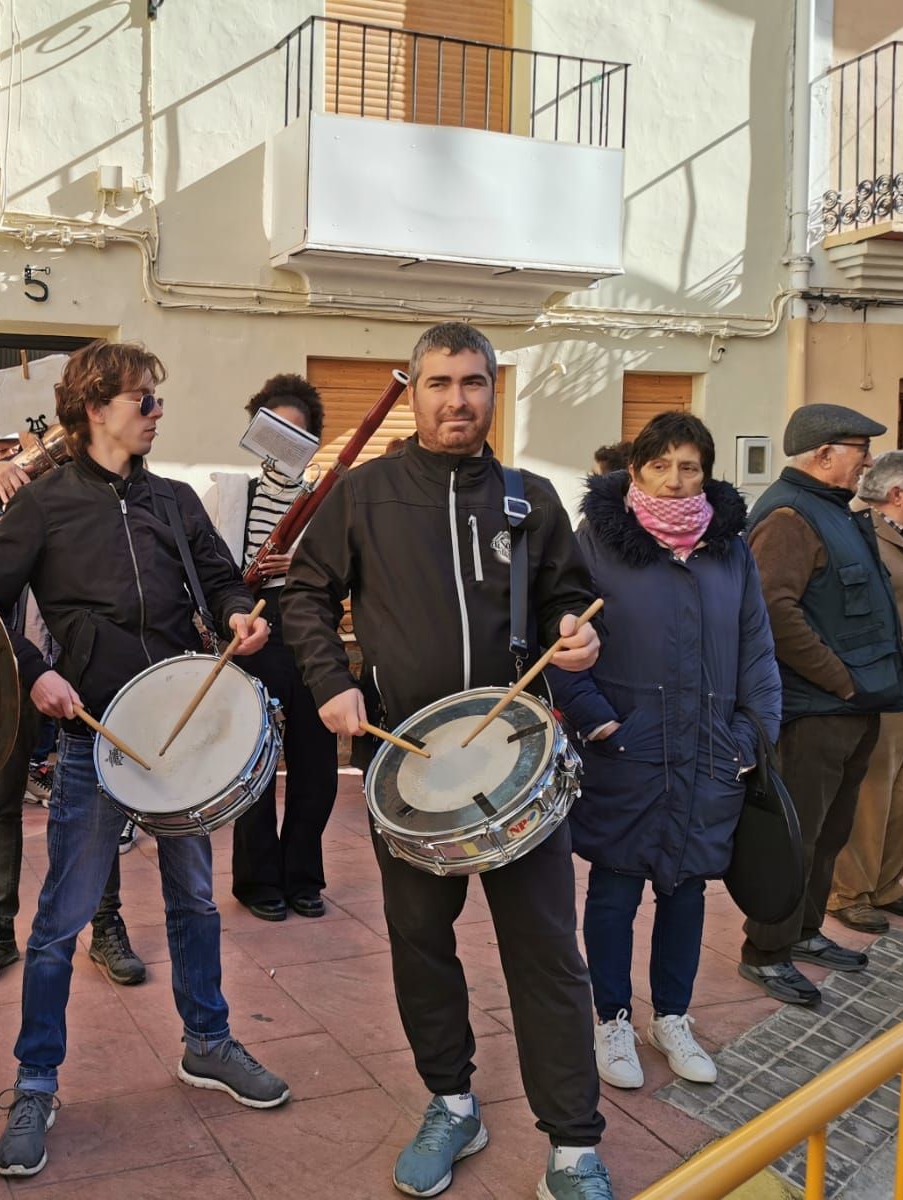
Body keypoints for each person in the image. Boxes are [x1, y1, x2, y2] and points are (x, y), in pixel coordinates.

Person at [281, 321, 615, 1200]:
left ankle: (574, 1146)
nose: (456, 399)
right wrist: (329, 681)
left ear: (492, 391)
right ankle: (452, 1101)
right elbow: (305, 593)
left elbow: (568, 598)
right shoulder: (364, 493)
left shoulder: (529, 497)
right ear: (414, 391)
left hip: (517, 764)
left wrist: (578, 634)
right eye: (439, 383)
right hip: (410, 765)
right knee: (421, 943)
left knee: (546, 953)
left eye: (472, 382)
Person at [0, 339, 289, 1179]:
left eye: (154, 399)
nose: (155, 412)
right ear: (95, 407)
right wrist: (34, 672)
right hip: (91, 736)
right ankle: (36, 1080)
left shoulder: (176, 501)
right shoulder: (42, 506)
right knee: (59, 922)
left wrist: (241, 614)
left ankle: (208, 1042)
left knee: (195, 903)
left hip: (179, 734)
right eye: (143, 400)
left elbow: (221, 583)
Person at [548, 413, 781, 1092]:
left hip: (712, 750)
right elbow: (561, 643)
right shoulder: (598, 542)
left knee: (687, 889)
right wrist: (597, 723)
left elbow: (758, 648)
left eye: (690, 467)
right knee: (616, 886)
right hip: (629, 750)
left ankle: (671, 1016)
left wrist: (752, 735)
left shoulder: (729, 548)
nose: (676, 480)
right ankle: (613, 1018)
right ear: (636, 468)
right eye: (661, 465)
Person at [0, 442, 142, 991]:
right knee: (1, 801)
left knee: (102, 800)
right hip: (9, 666)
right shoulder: (4, 494)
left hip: (82, 667)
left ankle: (105, 922)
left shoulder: (93, 492)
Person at [740, 405, 903, 1005]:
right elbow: (774, 612)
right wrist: (841, 681)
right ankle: (765, 952)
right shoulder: (789, 516)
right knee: (797, 839)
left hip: (849, 709)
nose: (866, 458)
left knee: (829, 834)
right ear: (822, 454)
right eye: (857, 447)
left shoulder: (834, 512)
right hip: (815, 711)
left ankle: (805, 933)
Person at [202, 373, 339, 922]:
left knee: (318, 764)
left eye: (295, 431)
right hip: (253, 631)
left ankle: (304, 875)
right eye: (273, 428)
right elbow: (209, 570)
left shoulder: (329, 498)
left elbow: (349, 574)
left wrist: (305, 567)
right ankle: (258, 881)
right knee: (255, 759)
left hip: (312, 631)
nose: (283, 439)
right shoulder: (231, 493)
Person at [829, 452, 903, 929]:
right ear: (897, 495)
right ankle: (849, 892)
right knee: (872, 796)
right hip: (883, 689)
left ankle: (886, 883)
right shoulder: (865, 535)